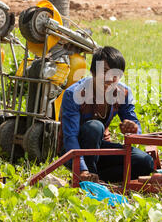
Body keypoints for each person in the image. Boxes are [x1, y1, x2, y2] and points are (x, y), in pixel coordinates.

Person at [59, 46, 155, 183]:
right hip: (73, 151)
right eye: (104, 72)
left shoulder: (123, 93)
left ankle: (97, 177)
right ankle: (86, 174)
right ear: (93, 72)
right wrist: (82, 169)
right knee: (95, 127)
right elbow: (70, 138)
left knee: (145, 163)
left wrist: (133, 130)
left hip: (100, 148)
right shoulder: (74, 94)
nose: (110, 79)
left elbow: (135, 127)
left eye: (116, 75)